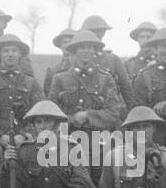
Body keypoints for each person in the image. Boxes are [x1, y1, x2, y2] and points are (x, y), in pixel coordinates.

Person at [46, 30, 126, 158]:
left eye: (89, 47)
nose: (86, 51)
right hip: (69, 141)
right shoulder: (60, 78)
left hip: (99, 142)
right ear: (75, 50)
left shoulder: (105, 78)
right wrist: (72, 119)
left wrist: (88, 115)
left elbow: (113, 112)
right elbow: (50, 114)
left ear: (95, 50)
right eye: (82, 47)